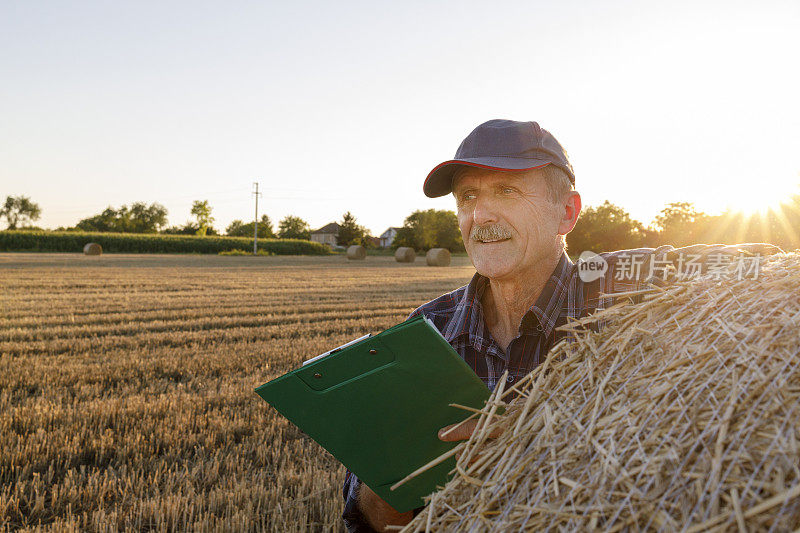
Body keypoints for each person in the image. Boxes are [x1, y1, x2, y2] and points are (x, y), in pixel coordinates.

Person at [341, 119, 779, 532]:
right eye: (468, 197)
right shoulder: (427, 333)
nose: (481, 216)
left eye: (507, 191)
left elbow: (765, 266)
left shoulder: (628, 289)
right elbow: (367, 522)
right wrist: (403, 475)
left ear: (567, 213)